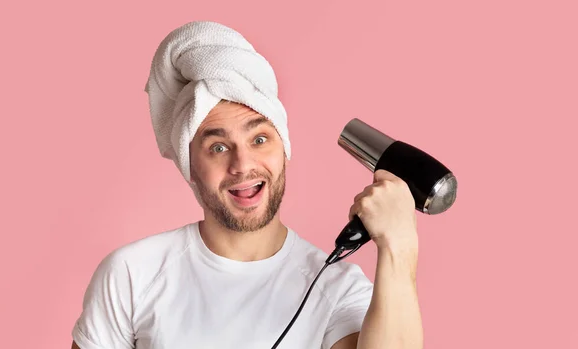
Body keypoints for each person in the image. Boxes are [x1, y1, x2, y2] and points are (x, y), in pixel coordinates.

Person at [71, 21, 423, 349]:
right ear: (189, 167)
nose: (242, 165)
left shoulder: (336, 288)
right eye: (218, 147)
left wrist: (399, 246)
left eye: (259, 139)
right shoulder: (132, 273)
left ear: (284, 150)